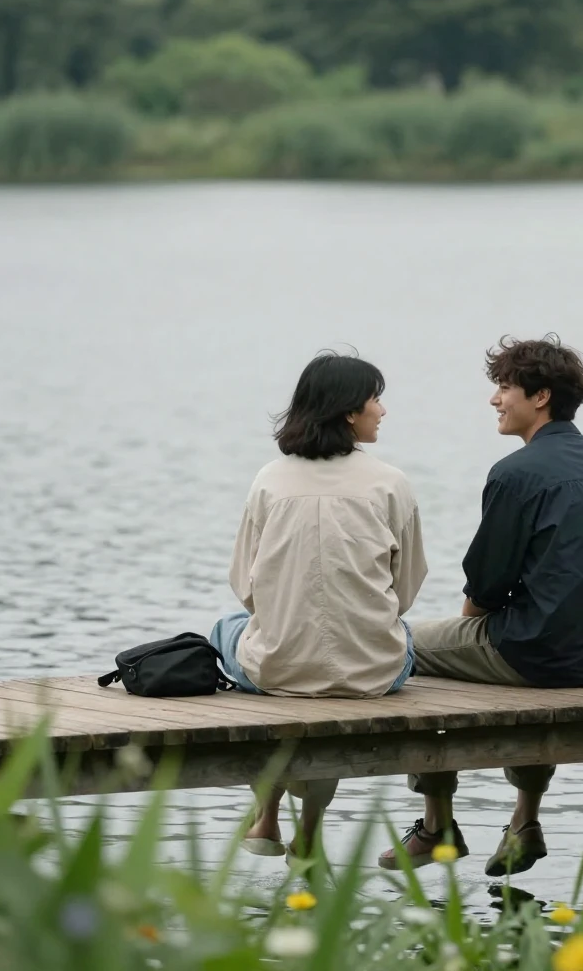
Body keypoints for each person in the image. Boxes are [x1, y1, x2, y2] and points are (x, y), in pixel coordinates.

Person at [379, 335, 583, 875]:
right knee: (518, 646)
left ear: (541, 397)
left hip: (541, 651)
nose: (495, 399)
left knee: (402, 646)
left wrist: (469, 630)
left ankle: (436, 825)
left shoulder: (517, 472)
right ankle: (524, 821)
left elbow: (486, 585)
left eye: (505, 387)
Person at [211, 352, 427, 859]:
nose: (382, 411)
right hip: (373, 674)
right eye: (375, 399)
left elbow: (245, 586)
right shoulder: (390, 483)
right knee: (395, 637)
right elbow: (406, 590)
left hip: (276, 671)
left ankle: (266, 815)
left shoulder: (270, 480)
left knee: (227, 628)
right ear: (350, 411)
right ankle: (306, 831)